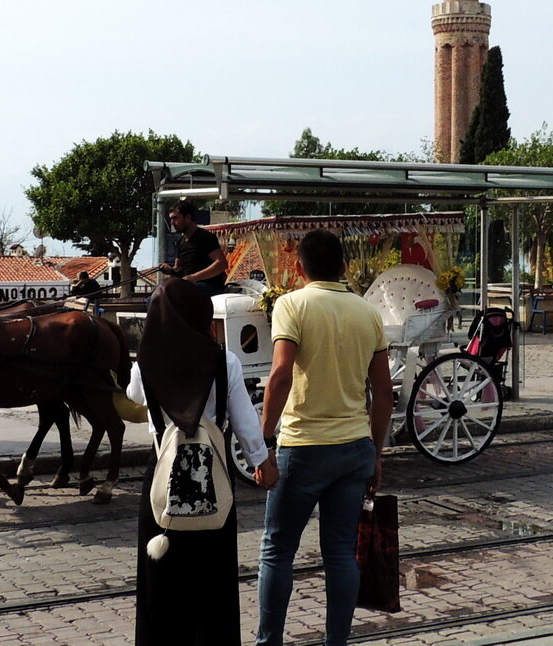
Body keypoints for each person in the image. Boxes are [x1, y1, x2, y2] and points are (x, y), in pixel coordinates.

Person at [255, 229, 393, 646]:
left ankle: (269, 642)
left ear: (299, 267)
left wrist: (262, 444)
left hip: (304, 447)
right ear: (344, 267)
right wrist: (376, 451)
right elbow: (383, 391)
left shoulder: (291, 305)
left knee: (278, 550)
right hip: (354, 449)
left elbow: (280, 375)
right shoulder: (367, 312)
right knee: (339, 553)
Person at [135, 278, 275, 646]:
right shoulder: (223, 361)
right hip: (212, 473)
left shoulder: (143, 365)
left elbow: (134, 396)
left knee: (160, 580)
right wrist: (262, 462)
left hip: (162, 474)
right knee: (212, 579)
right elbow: (246, 423)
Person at [158, 200, 228, 297]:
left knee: (175, 293)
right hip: (187, 286)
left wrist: (194, 277)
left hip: (208, 287)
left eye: (175, 218)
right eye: (171, 219)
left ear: (188, 218)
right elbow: (178, 269)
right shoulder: (180, 242)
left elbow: (221, 264)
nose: (172, 222)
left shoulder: (205, 237)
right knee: (155, 297)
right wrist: (170, 270)